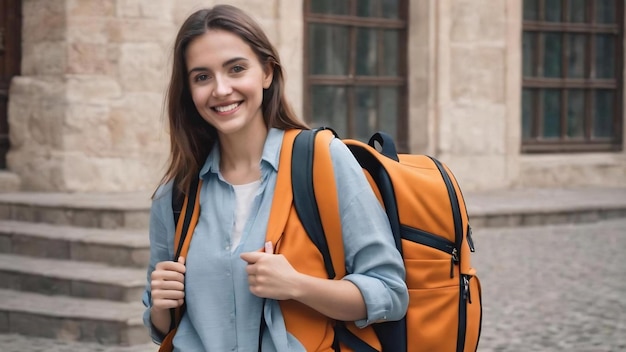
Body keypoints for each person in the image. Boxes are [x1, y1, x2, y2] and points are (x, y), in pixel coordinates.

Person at [142, 4, 408, 351]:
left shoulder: (323, 161)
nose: (221, 89)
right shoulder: (175, 196)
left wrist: (297, 285)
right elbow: (161, 328)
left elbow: (389, 292)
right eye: (202, 77)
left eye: (236, 69)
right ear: (189, 91)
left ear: (267, 72)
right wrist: (162, 306)